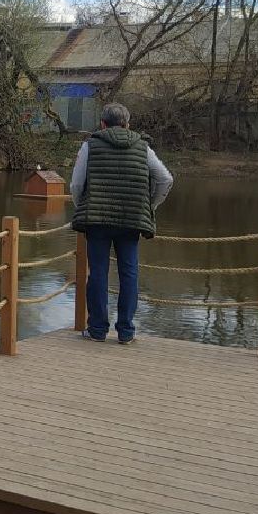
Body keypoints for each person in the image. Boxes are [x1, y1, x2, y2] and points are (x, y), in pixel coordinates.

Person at [70, 102, 173, 345]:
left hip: (97, 220)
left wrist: (82, 207)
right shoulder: (142, 147)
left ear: (102, 124)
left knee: (97, 273)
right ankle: (126, 332)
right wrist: (150, 206)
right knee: (129, 273)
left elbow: (76, 185)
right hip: (131, 219)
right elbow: (165, 179)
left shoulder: (90, 145)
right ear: (127, 124)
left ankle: (97, 330)